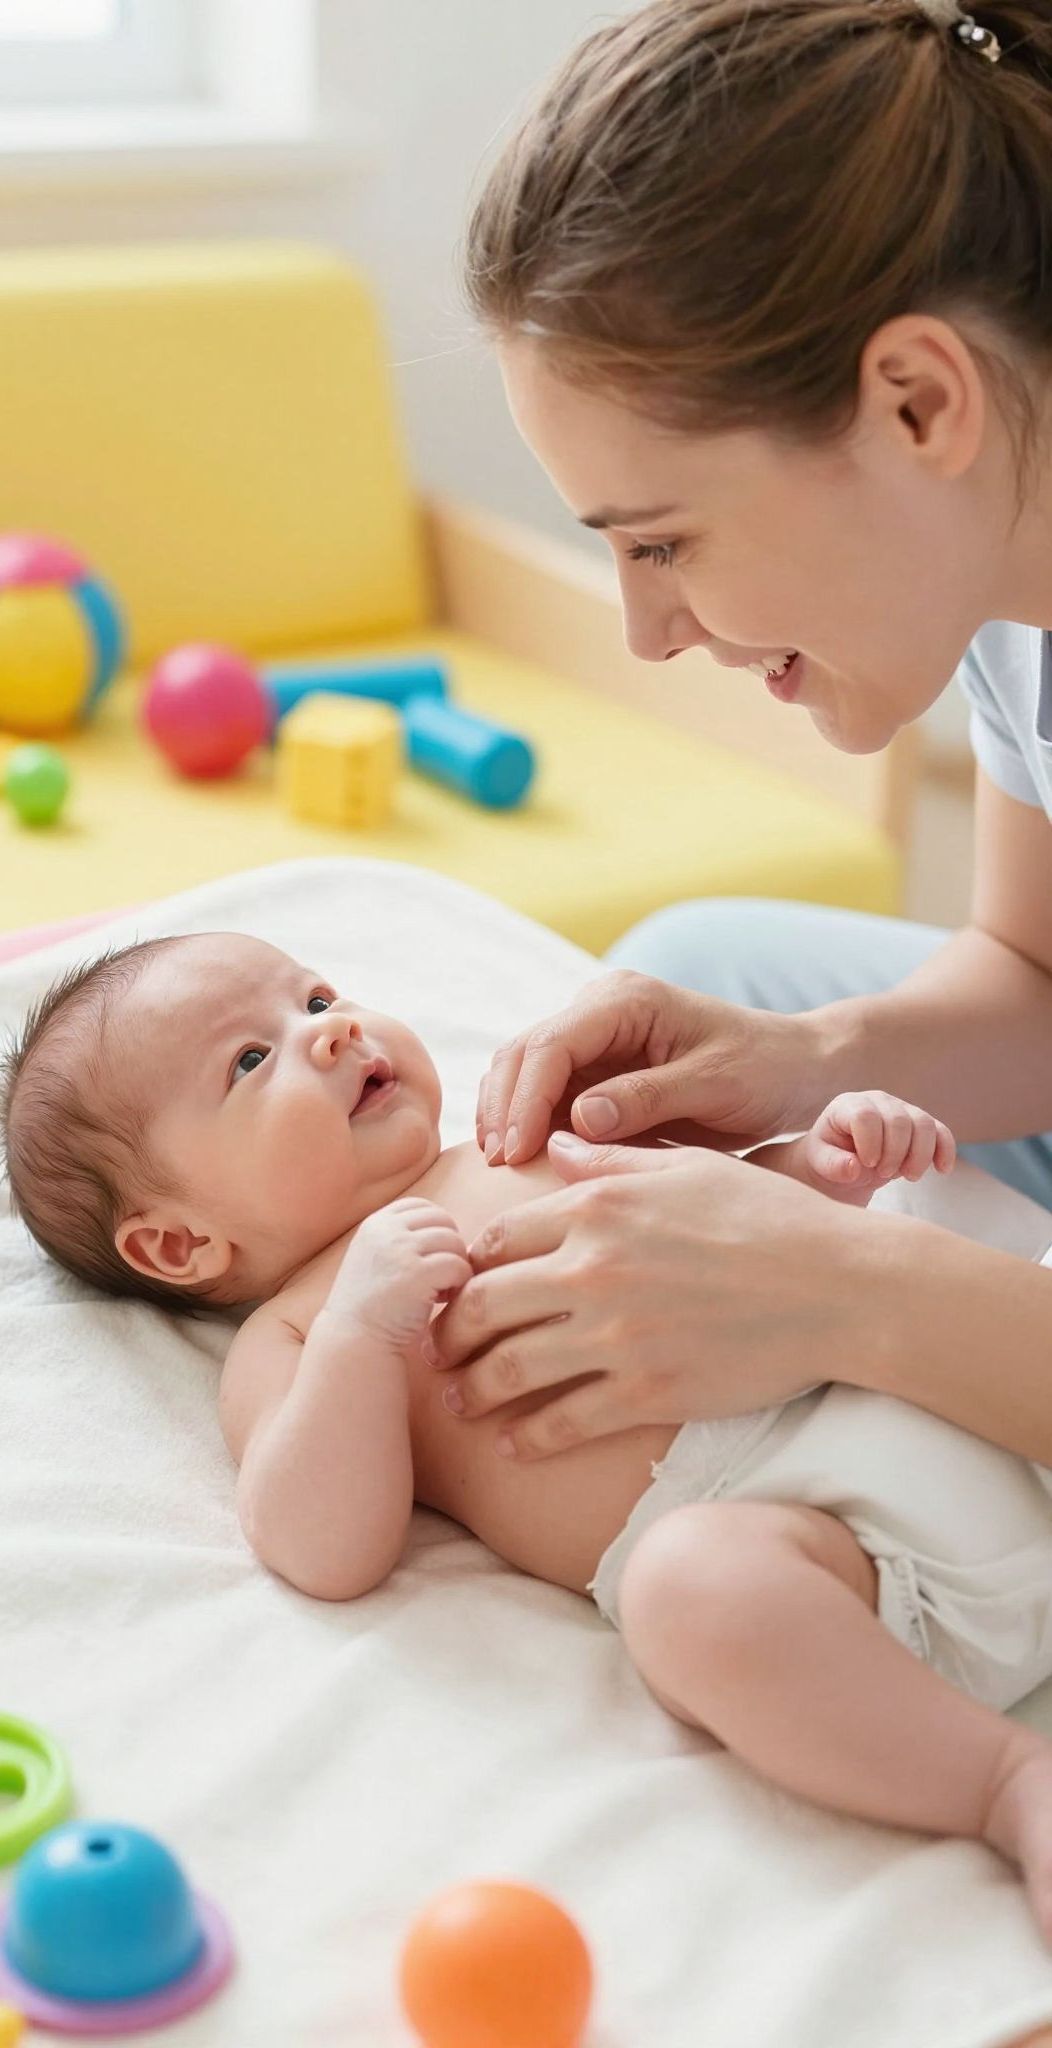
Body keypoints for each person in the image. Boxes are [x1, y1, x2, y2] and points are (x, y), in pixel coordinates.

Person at [0, 930, 1052, 1947]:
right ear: (180, 1240)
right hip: (850, 1552)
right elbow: (319, 1542)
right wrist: (362, 1334)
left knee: (946, 1199)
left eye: (318, 997)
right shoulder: (303, 1331)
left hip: (961, 1378)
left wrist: (828, 1164)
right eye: (252, 1058)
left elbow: (745, 1218)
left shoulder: (526, 1142)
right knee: (689, 1590)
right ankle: (1007, 1780)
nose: (331, 1031)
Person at [426, 0, 1052, 1527]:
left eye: (666, 541)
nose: (646, 631)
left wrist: (852, 1290)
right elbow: (1035, 977)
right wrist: (808, 1067)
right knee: (704, 965)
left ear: (918, 402)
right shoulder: (998, 576)